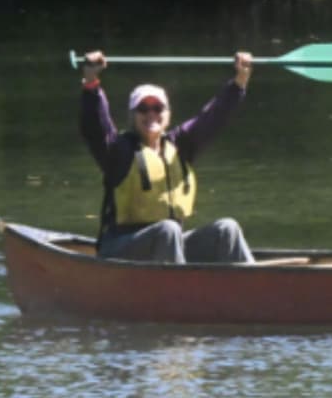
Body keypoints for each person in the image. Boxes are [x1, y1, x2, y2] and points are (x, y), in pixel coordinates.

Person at [77, 49, 255, 264]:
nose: (151, 114)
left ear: (167, 115)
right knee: (168, 231)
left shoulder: (179, 145)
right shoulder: (120, 151)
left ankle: (257, 289)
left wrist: (240, 81)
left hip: (169, 244)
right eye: (143, 108)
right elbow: (95, 128)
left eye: (158, 108)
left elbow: (214, 117)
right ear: (133, 116)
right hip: (121, 248)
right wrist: (91, 81)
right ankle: (182, 293)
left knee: (227, 229)